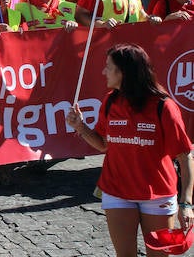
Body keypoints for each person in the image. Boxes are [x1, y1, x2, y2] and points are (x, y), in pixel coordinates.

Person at [67, 44, 194, 257]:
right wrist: (81, 127)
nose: (103, 72)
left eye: (108, 67)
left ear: (123, 72)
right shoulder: (110, 101)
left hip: (157, 194)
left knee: (159, 255)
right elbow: (103, 145)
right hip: (116, 191)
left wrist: (186, 203)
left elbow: (185, 156)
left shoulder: (164, 106)